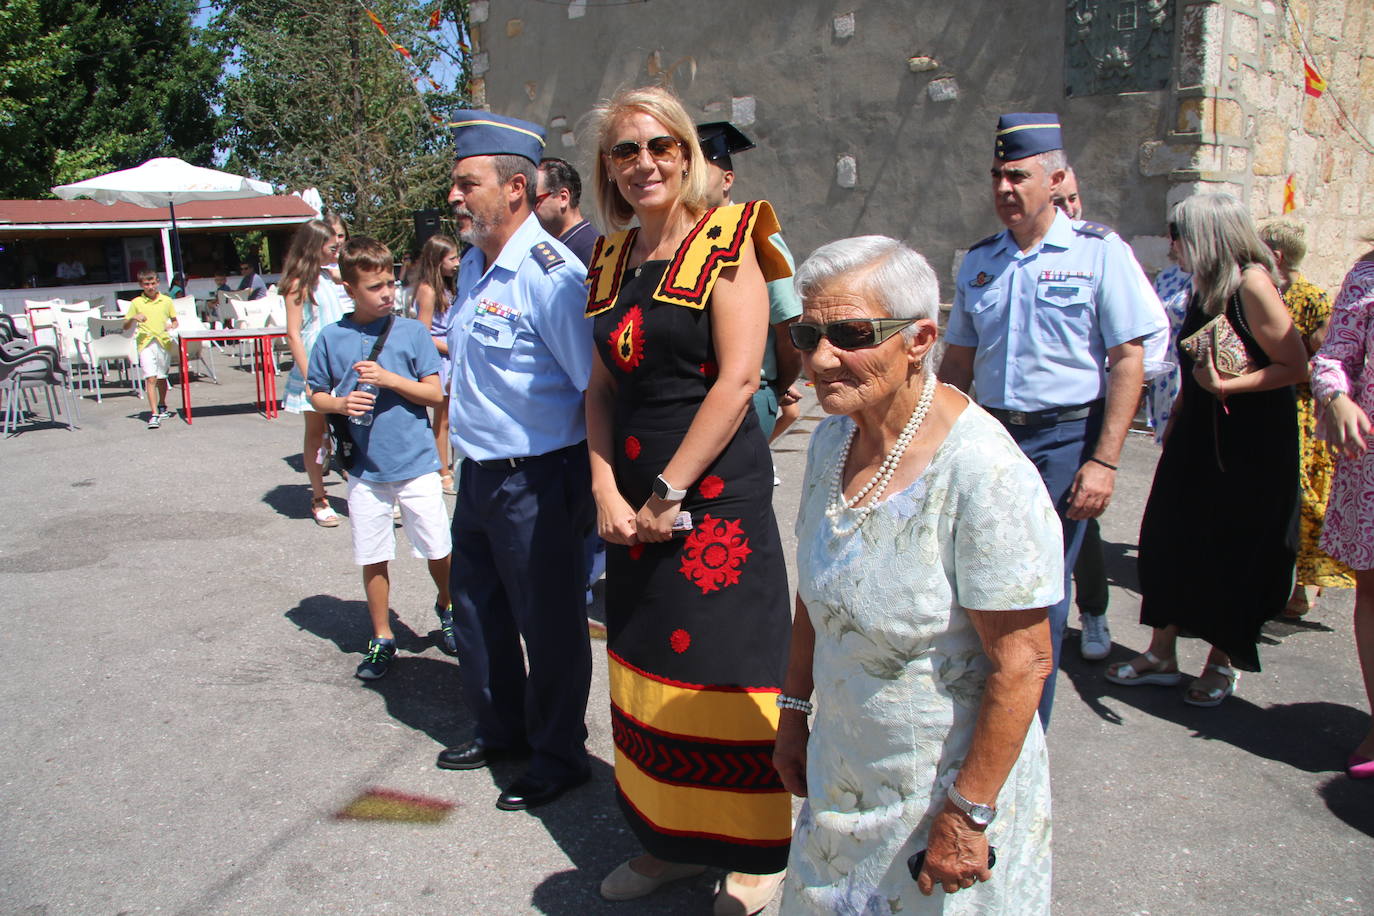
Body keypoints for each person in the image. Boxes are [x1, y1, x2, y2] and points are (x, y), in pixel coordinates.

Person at [774, 235, 1059, 914]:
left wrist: (968, 816)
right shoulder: (831, 440)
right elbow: (816, 595)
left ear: (921, 338)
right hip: (844, 777)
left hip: (943, 799)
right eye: (807, 332)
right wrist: (793, 713)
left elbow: (1023, 663)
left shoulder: (981, 472)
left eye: (849, 333)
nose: (819, 358)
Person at [583, 86, 793, 915]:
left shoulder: (730, 239)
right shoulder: (607, 259)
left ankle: (754, 851)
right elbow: (598, 390)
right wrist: (604, 486)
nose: (644, 164)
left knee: (724, 667)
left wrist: (671, 491)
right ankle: (668, 841)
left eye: (660, 146)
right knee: (647, 665)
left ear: (687, 154)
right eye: (626, 151)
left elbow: (741, 379)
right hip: (629, 505)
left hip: (712, 499)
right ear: (609, 167)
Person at [937, 113, 1166, 725]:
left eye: (1018, 175)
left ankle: (1023, 735)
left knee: (1039, 589)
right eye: (996, 176)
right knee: (975, 576)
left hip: (1064, 439)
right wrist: (927, 435)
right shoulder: (981, 261)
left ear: (1056, 176)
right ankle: (978, 715)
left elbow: (1128, 359)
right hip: (990, 436)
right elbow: (957, 361)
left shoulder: (1098, 252)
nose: (1004, 188)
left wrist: (1105, 460)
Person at [436, 111, 596, 815]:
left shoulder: (552, 276)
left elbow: (595, 386)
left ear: (517, 189)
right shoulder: (473, 264)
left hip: (538, 478)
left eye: (467, 183)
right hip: (479, 474)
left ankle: (558, 756)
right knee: (475, 609)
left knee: (550, 623)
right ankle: (501, 731)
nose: (454, 197)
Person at [1108, 193, 1307, 706]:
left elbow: (1295, 365)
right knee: (1169, 537)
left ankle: (1221, 662)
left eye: (1179, 234)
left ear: (1208, 236)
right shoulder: (1206, 284)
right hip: (1200, 430)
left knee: (1235, 549)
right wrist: (1177, 416)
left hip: (1251, 444)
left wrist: (1227, 389)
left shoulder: (1252, 286)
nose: (1173, 245)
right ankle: (1161, 654)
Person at [307, 237, 452, 680]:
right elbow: (314, 394)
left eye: (391, 283)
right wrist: (339, 404)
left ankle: (448, 610)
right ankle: (382, 635)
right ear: (349, 290)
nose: (387, 293)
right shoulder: (333, 338)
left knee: (439, 547)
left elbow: (434, 392)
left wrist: (390, 379)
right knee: (373, 554)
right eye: (375, 287)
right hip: (365, 469)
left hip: (416, 464)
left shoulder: (410, 331)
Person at [1259, 219, 1355, 616]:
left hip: (1301, 410)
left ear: (1276, 255)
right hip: (1267, 401)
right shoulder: (1261, 292)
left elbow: (1325, 355)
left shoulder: (1311, 297)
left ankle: (1305, 585)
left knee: (1305, 497)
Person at [697, 120, 804, 448]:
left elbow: (788, 326)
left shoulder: (753, 230)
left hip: (747, 396)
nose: (691, 181)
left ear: (727, 180)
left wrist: (773, 386)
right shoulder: (680, 236)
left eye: (702, 172)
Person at [1309, 239, 1374, 777]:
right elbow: (1332, 357)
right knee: (1373, 591)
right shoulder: (1368, 275)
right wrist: (1336, 396)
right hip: (1370, 461)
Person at [280, 219, 350, 528]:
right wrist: (311, 378)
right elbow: (293, 334)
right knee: (318, 434)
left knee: (352, 429)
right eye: (331, 244)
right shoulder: (298, 282)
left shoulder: (329, 277)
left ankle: (369, 492)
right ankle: (319, 496)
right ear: (314, 246)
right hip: (316, 367)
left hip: (341, 365)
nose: (336, 246)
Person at [411, 234, 461, 500]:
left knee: (455, 418)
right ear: (437, 260)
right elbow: (423, 332)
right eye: (451, 258)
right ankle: (443, 471)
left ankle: (453, 465)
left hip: (455, 359)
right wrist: (451, 347)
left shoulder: (452, 286)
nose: (457, 262)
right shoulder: (428, 289)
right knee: (441, 420)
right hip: (441, 361)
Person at [122, 269, 179, 429]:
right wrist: (133, 318)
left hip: (163, 341)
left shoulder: (166, 301)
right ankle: (154, 414)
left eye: (153, 283)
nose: (150, 287)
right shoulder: (136, 303)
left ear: (157, 283)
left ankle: (162, 405)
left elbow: (175, 321)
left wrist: (171, 326)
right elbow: (125, 325)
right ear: (141, 285)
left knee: (161, 377)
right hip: (145, 342)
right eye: (146, 284)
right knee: (150, 378)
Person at [534, 158, 599, 267]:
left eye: (535, 201)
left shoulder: (592, 249)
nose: (529, 209)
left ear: (563, 198)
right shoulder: (553, 243)